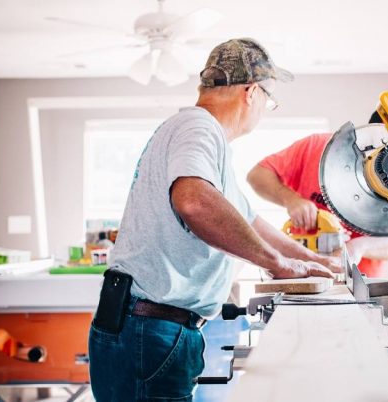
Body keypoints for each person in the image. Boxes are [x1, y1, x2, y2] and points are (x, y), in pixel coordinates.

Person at [88, 38, 341, 402]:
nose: (265, 108)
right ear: (252, 92)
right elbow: (193, 202)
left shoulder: (201, 138)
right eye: (269, 100)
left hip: (146, 325)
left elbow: (249, 221)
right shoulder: (199, 127)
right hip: (150, 328)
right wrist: (277, 264)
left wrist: (310, 261)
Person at [247, 111, 388, 279]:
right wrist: (291, 200)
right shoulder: (317, 147)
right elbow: (257, 175)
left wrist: (359, 247)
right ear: (367, 133)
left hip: (359, 282)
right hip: (299, 272)